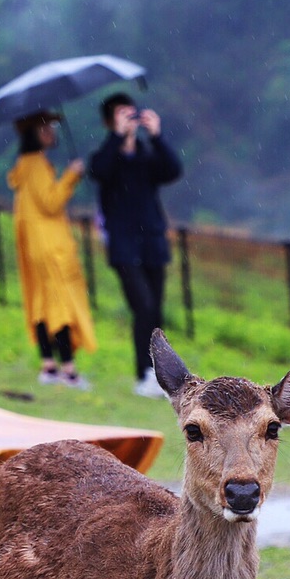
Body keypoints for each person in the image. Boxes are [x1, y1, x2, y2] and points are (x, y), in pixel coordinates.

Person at [88, 92, 183, 398]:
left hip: (152, 239)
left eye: (131, 112)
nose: (129, 118)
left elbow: (172, 170)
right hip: (123, 244)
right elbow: (100, 171)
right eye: (121, 114)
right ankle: (144, 373)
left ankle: (159, 377)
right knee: (142, 307)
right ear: (109, 121)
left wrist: (156, 135)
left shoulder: (146, 156)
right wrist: (117, 138)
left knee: (155, 310)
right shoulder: (107, 157)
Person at [7, 111, 96, 388]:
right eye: (45, 128)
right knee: (60, 307)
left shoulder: (27, 164)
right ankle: (67, 369)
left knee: (42, 306)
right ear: (34, 133)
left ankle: (49, 365)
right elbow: (51, 202)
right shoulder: (35, 165)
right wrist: (72, 175)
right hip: (50, 248)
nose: (51, 132)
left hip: (38, 246)